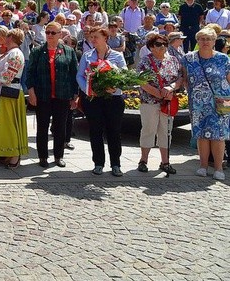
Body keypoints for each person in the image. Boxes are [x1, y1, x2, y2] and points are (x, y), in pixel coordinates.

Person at [76, 26, 127, 176]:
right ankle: (98, 163)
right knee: (95, 131)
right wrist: (87, 90)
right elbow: (79, 76)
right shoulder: (87, 55)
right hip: (93, 99)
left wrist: (115, 85)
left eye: (96, 37)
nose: (93, 40)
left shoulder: (117, 56)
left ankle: (116, 164)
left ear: (105, 38)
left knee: (114, 131)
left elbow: (124, 75)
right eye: (91, 37)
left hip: (113, 98)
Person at [26, 21, 79, 168]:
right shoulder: (37, 51)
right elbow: (30, 74)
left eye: (53, 33)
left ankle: (58, 156)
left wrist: (75, 95)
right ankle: (42, 156)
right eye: (47, 32)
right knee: (42, 127)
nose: (49, 35)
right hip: (42, 95)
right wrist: (31, 92)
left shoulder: (68, 51)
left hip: (62, 95)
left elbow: (74, 74)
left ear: (60, 34)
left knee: (60, 127)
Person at [181, 27, 229, 180]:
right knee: (201, 134)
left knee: (218, 135)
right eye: (202, 39)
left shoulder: (223, 59)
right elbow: (184, 78)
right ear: (197, 41)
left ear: (214, 41)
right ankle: (203, 166)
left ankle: (218, 168)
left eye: (209, 39)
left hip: (220, 102)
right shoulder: (189, 58)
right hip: (198, 104)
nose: (205, 42)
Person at [136, 33, 183, 175]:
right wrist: (158, 93)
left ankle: (165, 162)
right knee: (148, 129)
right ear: (151, 47)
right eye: (158, 44)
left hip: (167, 102)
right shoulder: (145, 61)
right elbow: (141, 81)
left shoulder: (173, 60)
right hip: (150, 101)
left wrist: (171, 88)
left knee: (166, 131)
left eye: (164, 44)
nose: (162, 46)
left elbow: (180, 78)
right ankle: (143, 160)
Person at [0, 29, 27, 168]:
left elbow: (8, 76)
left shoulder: (16, 53)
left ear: (11, 37)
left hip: (9, 91)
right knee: (3, 123)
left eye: (7, 36)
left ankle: (15, 155)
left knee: (9, 124)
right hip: (3, 91)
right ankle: (5, 151)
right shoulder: (9, 53)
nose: (4, 38)